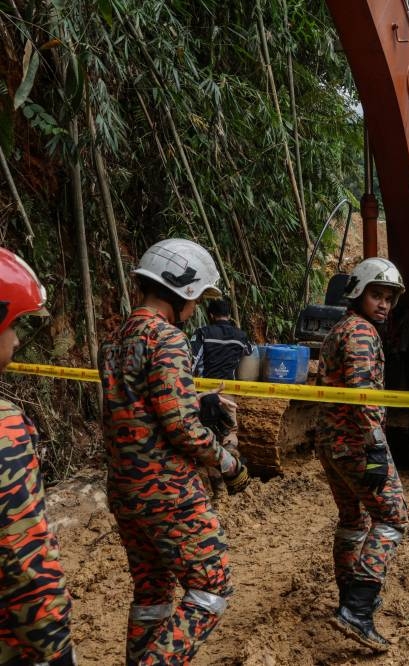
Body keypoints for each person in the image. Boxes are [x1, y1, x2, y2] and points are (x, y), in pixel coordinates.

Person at [98, 238, 250, 665]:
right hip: (167, 490)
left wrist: (201, 404)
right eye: (198, 297)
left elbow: (137, 409)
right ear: (183, 290)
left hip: (125, 489)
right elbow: (182, 428)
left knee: (153, 592)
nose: (197, 306)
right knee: (212, 585)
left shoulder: (114, 340)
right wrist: (229, 462)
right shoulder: (166, 338)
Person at [315, 257, 408, 652]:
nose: (384, 303)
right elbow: (361, 391)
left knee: (352, 519)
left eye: (389, 297)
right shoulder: (362, 333)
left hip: (333, 443)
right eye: (377, 294)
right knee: (393, 516)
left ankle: (348, 597)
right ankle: (357, 608)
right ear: (358, 293)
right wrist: (374, 447)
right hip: (357, 443)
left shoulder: (344, 328)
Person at [0, 248, 76, 666]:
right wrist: (54, 649)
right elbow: (21, 555)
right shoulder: (4, 427)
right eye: (12, 325)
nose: (15, 339)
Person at [190, 298, 251, 498]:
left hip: (206, 392)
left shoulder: (203, 333)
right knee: (229, 431)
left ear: (211, 315)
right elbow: (249, 351)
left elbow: (192, 360)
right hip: (228, 392)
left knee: (208, 435)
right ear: (228, 315)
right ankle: (233, 465)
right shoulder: (240, 335)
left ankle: (217, 488)